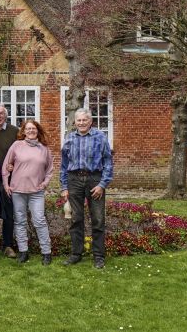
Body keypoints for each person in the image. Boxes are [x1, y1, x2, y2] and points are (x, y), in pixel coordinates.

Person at [60, 108, 114, 269]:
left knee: (97, 219)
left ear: (90, 122)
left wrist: (102, 185)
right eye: (79, 120)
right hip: (74, 179)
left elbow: (108, 163)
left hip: (94, 180)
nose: (82, 123)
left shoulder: (100, 137)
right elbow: (63, 165)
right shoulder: (69, 138)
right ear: (74, 122)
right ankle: (76, 254)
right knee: (76, 219)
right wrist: (64, 186)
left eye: (85, 120)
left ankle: (98, 256)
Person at [2, 119, 54, 265]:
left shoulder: (44, 148)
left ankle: (46, 252)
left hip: (36, 192)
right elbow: (6, 166)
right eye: (28, 129)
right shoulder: (17, 145)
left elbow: (49, 170)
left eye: (34, 129)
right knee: (20, 221)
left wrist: (45, 183)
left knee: (39, 220)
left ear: (37, 131)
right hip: (17, 190)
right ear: (23, 131)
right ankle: (23, 251)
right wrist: (6, 184)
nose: (31, 131)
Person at [0, 103, 19, 258]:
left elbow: (21, 151)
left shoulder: (14, 131)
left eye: (1, 114)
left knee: (9, 214)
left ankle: (8, 245)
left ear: (6, 115)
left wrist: (15, 165)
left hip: (10, 180)